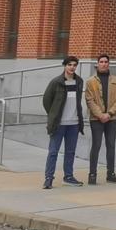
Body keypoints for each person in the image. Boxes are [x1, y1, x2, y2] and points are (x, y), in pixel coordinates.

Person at [41, 56, 86, 190]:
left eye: (74, 65)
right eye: (69, 65)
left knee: (70, 152)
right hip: (59, 124)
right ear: (64, 66)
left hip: (74, 123)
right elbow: (46, 100)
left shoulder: (79, 81)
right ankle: (48, 178)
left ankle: (68, 177)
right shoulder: (56, 82)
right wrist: (54, 114)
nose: (72, 67)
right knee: (53, 151)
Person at [84, 54, 116, 185]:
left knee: (111, 145)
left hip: (112, 118)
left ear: (109, 64)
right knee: (96, 145)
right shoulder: (91, 81)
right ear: (97, 64)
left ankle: (111, 174)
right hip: (96, 119)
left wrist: (110, 113)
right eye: (101, 62)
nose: (104, 64)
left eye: (106, 62)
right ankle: (92, 174)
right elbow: (89, 100)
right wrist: (100, 115)